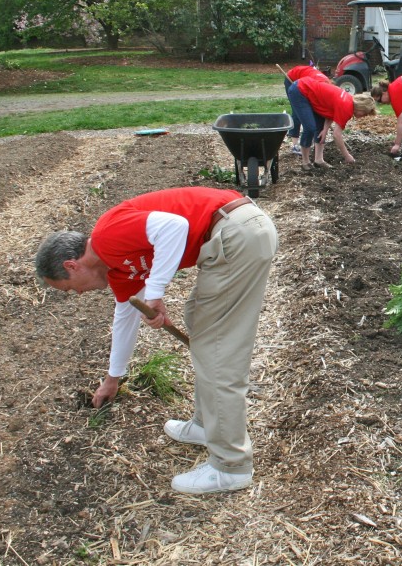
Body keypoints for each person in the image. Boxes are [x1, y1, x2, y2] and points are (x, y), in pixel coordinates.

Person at [34, 187, 278, 494]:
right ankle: (205, 426)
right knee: (201, 326)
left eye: (70, 288)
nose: (78, 293)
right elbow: (125, 319)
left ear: (72, 266)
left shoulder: (107, 236)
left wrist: (155, 291)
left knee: (218, 352)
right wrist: (113, 379)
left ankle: (231, 466)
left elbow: (175, 228)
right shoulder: (117, 271)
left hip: (236, 232)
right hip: (233, 234)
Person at [287, 77, 376, 168]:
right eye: (365, 113)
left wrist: (325, 130)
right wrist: (347, 156)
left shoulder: (348, 100)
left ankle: (319, 160)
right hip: (300, 90)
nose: (364, 116)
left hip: (309, 91)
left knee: (320, 129)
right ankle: (306, 162)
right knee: (310, 128)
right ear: (361, 107)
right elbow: (336, 135)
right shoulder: (347, 107)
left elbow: (330, 112)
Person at [282, 64, 342, 156]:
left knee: (312, 112)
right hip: (292, 78)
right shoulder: (318, 84)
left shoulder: (325, 86)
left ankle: (313, 143)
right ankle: (295, 144)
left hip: (304, 78)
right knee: (297, 112)